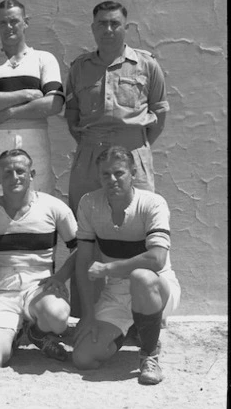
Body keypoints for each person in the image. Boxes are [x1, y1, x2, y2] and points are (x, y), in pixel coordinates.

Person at [65, 0, 169, 317]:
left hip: (133, 155)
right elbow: (71, 114)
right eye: (101, 23)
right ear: (93, 27)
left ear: (125, 26)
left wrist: (136, 146)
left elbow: (160, 111)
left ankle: (144, 315)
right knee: (84, 231)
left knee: (140, 229)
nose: (108, 29)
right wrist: (91, 147)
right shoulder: (80, 67)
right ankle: (87, 314)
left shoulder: (146, 65)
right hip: (89, 155)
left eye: (114, 23)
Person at [0, 149, 78, 369]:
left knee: (58, 317)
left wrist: (61, 276)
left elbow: (79, 248)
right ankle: (13, 333)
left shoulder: (53, 207)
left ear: (32, 173)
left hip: (39, 290)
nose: (15, 177)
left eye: (20, 171)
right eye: (7, 172)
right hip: (1, 292)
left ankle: (37, 333)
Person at [72, 146, 181, 385]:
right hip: (116, 294)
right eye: (105, 174)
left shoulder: (153, 203)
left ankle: (149, 356)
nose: (112, 180)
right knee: (83, 358)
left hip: (156, 287)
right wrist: (89, 315)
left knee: (141, 277)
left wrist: (109, 269)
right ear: (98, 176)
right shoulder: (89, 203)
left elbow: (156, 259)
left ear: (132, 172)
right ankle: (137, 331)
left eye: (119, 173)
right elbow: (83, 262)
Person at [0, 0, 65, 205]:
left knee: (40, 201)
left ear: (26, 22)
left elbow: (53, 104)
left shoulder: (44, 58)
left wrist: (8, 113)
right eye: (3, 23)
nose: (9, 27)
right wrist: (26, 94)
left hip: (34, 138)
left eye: (14, 21)